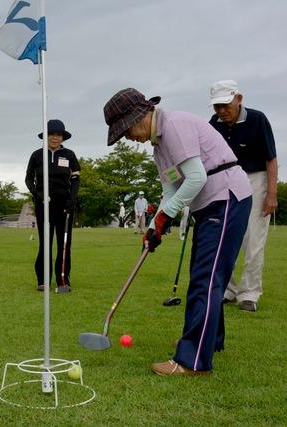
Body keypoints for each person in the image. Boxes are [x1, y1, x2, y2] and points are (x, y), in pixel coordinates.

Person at [104, 88, 252, 376]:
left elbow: (195, 177)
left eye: (126, 130)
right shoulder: (160, 147)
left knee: (205, 278)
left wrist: (167, 217)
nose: (129, 138)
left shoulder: (175, 127)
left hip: (226, 198)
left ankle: (193, 360)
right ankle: (209, 340)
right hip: (210, 206)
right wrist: (154, 226)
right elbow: (170, 189)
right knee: (206, 275)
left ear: (140, 116)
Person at [209, 80, 278, 313]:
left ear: (239, 98)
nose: (221, 111)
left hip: (255, 179)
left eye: (225, 105)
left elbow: (271, 158)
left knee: (253, 238)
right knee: (224, 236)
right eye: (217, 106)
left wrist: (271, 194)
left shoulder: (258, 119)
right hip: (225, 181)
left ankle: (249, 293)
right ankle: (227, 290)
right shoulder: (214, 124)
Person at [25, 119, 80, 293]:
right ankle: (43, 280)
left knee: (64, 244)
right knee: (45, 243)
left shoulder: (69, 155)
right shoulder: (36, 155)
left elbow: (76, 179)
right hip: (43, 206)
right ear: (46, 136)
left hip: (65, 206)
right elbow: (28, 179)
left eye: (58, 135)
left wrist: (72, 199)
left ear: (63, 137)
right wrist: (38, 194)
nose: (55, 138)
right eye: (51, 134)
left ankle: (63, 280)